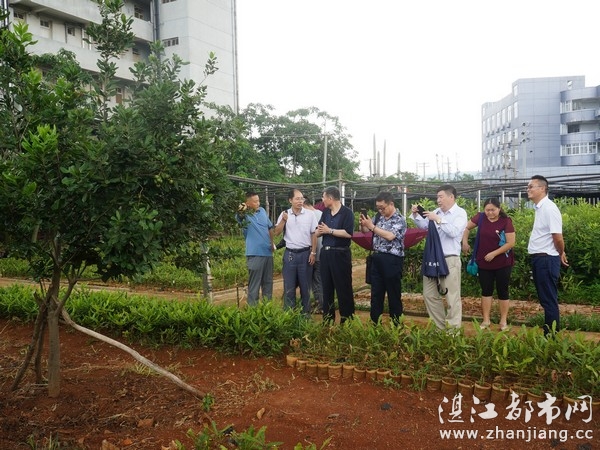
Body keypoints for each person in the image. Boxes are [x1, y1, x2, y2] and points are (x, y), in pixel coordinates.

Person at [410, 185, 468, 330]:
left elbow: (454, 232)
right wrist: (417, 215)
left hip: (449, 258)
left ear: (451, 197)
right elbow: (425, 226)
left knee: (451, 296)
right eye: (437, 197)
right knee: (429, 294)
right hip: (433, 258)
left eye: (441, 197)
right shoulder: (436, 212)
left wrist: (438, 219)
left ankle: (453, 331)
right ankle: (440, 328)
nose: (438, 200)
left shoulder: (460, 213)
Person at [461, 198, 516, 330]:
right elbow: (466, 228)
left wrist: (494, 253)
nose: (490, 213)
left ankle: (503, 321)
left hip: (503, 262)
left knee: (503, 291)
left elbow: (511, 243)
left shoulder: (506, 221)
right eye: (487, 210)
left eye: (493, 210)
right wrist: (465, 242)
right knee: (486, 291)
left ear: (499, 209)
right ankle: (486, 320)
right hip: (483, 261)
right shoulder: (480, 217)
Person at [526, 175, 569, 335]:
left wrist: (561, 252)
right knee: (546, 299)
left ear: (542, 188)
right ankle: (549, 333)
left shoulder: (549, 208)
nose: (528, 189)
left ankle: (551, 336)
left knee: (549, 299)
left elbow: (557, 237)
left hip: (546, 259)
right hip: (540, 258)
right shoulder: (540, 208)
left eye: (531, 186)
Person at [359, 192, 407, 325]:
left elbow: (390, 236)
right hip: (377, 258)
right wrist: (363, 224)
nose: (380, 211)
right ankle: (375, 324)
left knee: (393, 294)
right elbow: (365, 231)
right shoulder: (379, 217)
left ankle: (396, 326)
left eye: (382, 208)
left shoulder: (399, 219)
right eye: (378, 208)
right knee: (376, 294)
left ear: (391, 204)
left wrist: (372, 226)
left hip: (392, 260)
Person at [274, 189, 318, 316]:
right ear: (290, 200)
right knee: (289, 287)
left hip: (305, 254)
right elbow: (276, 232)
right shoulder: (284, 214)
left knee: (305, 288)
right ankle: (289, 316)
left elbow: (314, 234)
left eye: (302, 198)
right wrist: (283, 220)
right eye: (297, 198)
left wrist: (313, 252)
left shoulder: (310, 214)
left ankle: (306, 315)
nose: (300, 201)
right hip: (290, 255)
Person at [317, 186, 355, 324]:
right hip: (326, 254)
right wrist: (321, 231)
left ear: (330, 198)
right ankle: (328, 320)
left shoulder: (347, 213)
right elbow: (318, 231)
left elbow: (348, 233)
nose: (322, 200)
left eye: (323, 197)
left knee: (343, 288)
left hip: (340, 254)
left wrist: (330, 230)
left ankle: (347, 320)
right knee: (326, 288)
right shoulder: (325, 213)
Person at [235, 191, 274, 306]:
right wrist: (242, 207)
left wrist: (272, 243)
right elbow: (239, 215)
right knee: (254, 284)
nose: (258, 203)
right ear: (248, 203)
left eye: (258, 201)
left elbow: (270, 227)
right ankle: (253, 310)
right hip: (254, 254)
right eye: (255, 201)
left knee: (268, 283)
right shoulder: (244, 215)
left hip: (267, 253)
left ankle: (267, 309)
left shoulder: (262, 211)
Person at [303, 198, 324, 313]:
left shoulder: (308, 216)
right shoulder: (321, 213)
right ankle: (320, 303)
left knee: (316, 281)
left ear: (305, 205)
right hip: (323, 252)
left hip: (314, 254)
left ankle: (320, 305)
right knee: (319, 280)